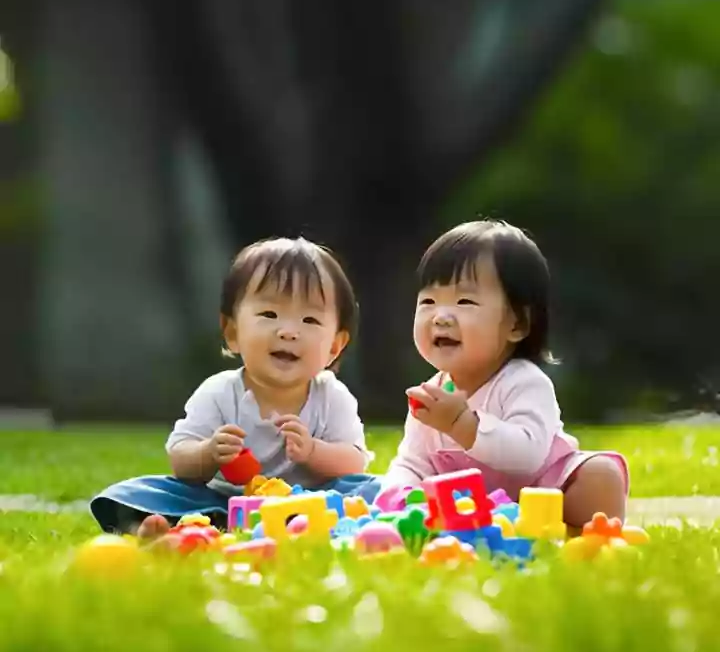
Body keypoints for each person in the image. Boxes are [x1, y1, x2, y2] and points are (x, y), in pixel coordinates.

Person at [91, 237, 380, 536]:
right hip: (227, 501)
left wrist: (312, 452)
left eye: (309, 319)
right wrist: (209, 453)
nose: (288, 332)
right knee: (135, 492)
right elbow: (181, 459)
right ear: (232, 332)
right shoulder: (219, 392)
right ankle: (160, 525)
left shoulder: (331, 396)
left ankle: (324, 522)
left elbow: (353, 463)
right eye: (269, 314)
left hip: (312, 501)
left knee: (372, 488)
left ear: (334, 346)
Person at [383, 219, 628, 530]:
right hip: (471, 506)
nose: (441, 316)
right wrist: (399, 494)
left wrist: (463, 425)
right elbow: (412, 463)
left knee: (601, 475)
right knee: (395, 488)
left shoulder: (524, 382)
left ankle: (574, 528)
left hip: (541, 492)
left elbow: (527, 455)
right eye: (428, 301)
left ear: (517, 325)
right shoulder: (430, 396)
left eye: (465, 301)